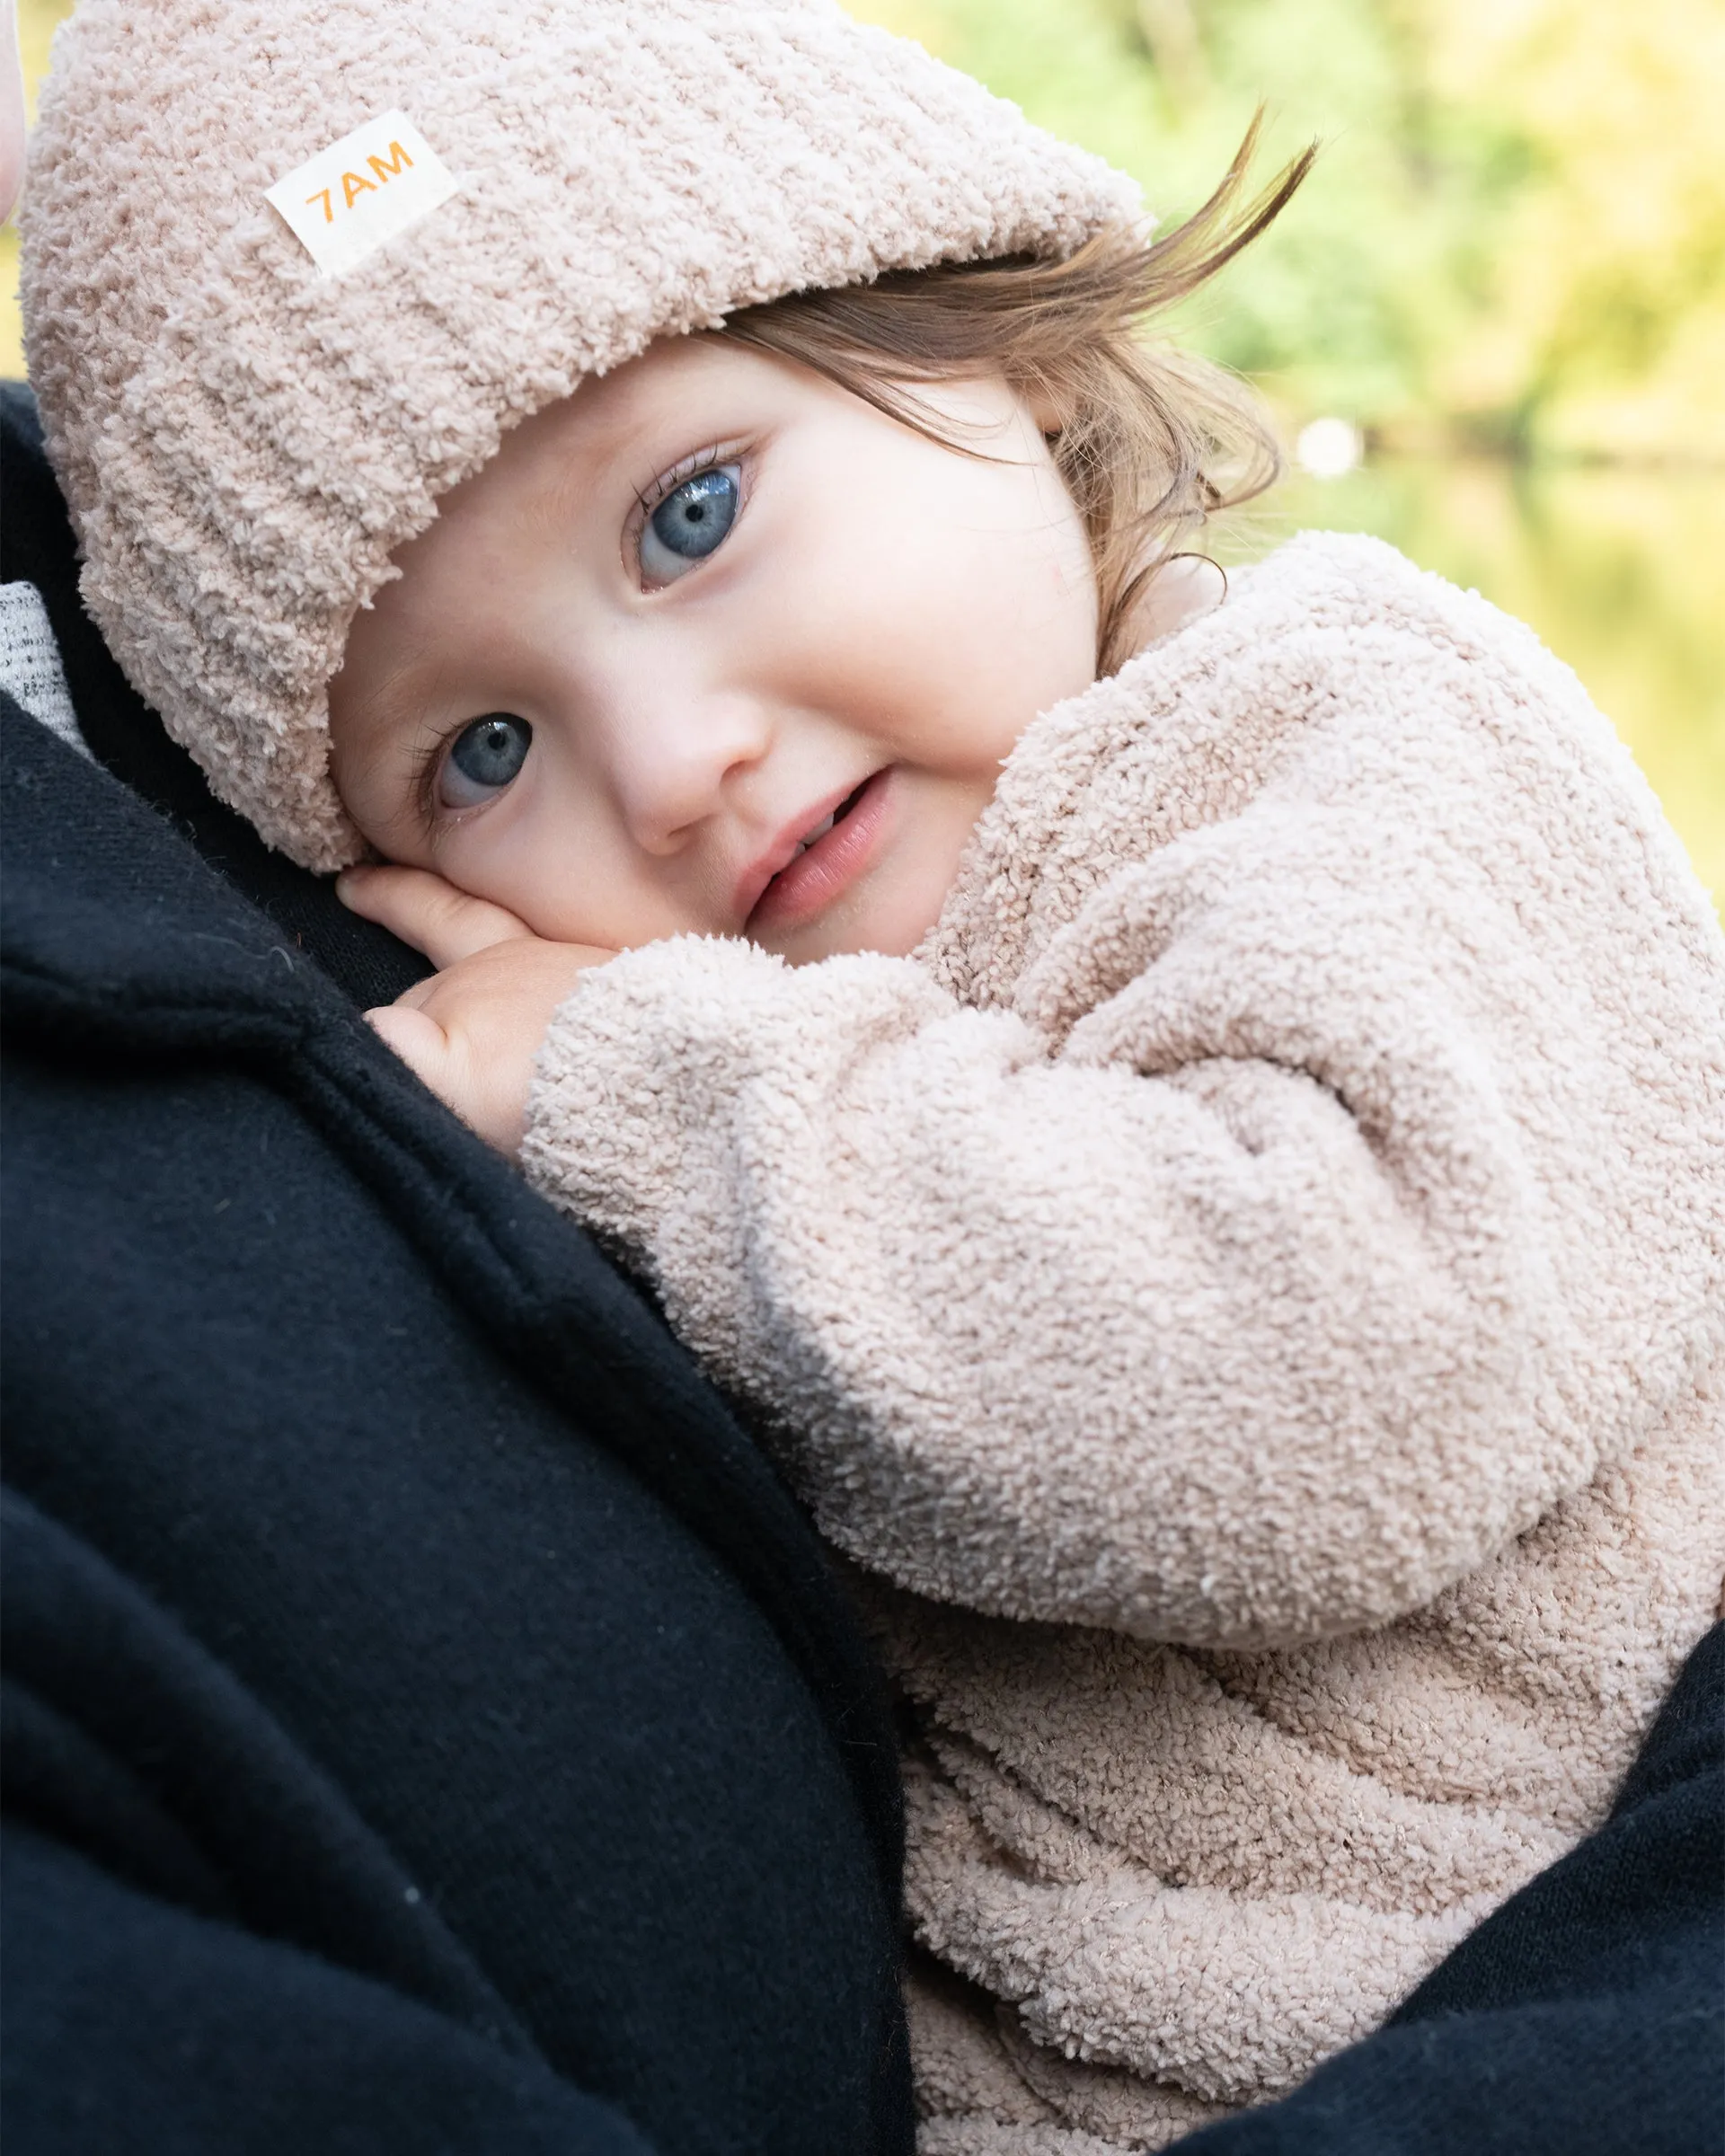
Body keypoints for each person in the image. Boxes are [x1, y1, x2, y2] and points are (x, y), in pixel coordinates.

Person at [11, 1, 1723, 2150]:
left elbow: (1329, 1362)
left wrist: (634, 1086)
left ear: (974, 328)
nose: (668, 762)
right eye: (484, 751)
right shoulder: (814, 1037)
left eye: (691, 514)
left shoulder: (1356, 743)